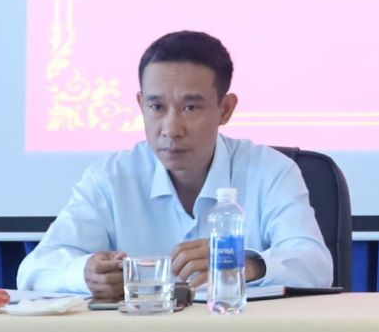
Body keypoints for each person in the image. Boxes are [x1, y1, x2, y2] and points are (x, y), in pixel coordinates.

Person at [18, 30, 334, 298]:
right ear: (141, 105)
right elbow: (35, 269)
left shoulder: (271, 171)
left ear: (225, 109)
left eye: (190, 107)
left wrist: (246, 265)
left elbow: (316, 266)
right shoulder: (110, 179)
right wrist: (84, 274)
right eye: (157, 107)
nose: (171, 129)